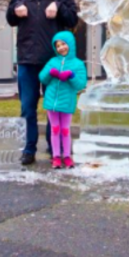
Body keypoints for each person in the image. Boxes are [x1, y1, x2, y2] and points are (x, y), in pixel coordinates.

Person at [6, 0, 79, 166]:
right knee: (27, 107)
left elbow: (73, 19)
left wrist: (59, 9)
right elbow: (9, 18)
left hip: (53, 62)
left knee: (54, 108)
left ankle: (54, 146)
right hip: (27, 60)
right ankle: (29, 149)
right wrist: (14, 11)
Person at [40, 31, 88, 169]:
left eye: (63, 44)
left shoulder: (78, 64)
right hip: (51, 102)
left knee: (65, 130)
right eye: (58, 45)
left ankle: (67, 156)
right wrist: (50, 73)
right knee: (55, 129)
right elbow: (42, 78)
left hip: (67, 102)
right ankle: (56, 156)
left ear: (70, 44)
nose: (61, 48)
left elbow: (81, 84)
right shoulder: (52, 61)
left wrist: (71, 75)